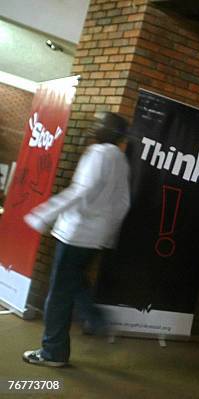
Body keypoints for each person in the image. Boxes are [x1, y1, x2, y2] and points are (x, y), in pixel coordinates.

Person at [22, 112, 131, 367]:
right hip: (94, 238)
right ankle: (99, 320)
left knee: (59, 294)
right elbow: (123, 203)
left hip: (75, 233)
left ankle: (53, 352)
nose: (95, 127)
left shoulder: (97, 153)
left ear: (110, 131)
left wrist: (43, 214)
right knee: (76, 283)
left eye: (99, 124)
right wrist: (108, 233)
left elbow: (81, 191)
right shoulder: (121, 160)